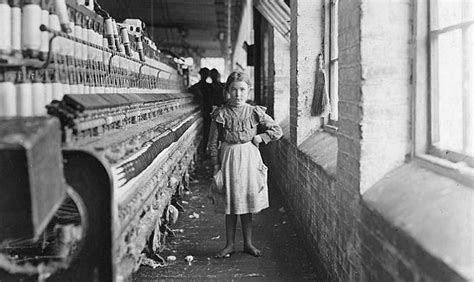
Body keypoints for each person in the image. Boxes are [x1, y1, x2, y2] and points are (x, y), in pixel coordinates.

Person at [207, 71, 283, 258]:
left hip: (249, 156)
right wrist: (216, 166)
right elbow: (212, 143)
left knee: (247, 201)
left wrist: (261, 137)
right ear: (227, 91)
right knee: (231, 201)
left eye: (242, 90)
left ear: (248, 91)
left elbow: (277, 130)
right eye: (233, 90)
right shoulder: (221, 113)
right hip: (228, 157)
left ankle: (248, 243)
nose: (238, 94)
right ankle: (229, 244)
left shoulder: (254, 112)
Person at [189, 67, 213, 154]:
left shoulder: (196, 87)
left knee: (205, 133)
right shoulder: (209, 87)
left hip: (204, 112)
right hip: (204, 112)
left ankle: (204, 152)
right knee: (204, 133)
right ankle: (204, 152)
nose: (205, 76)